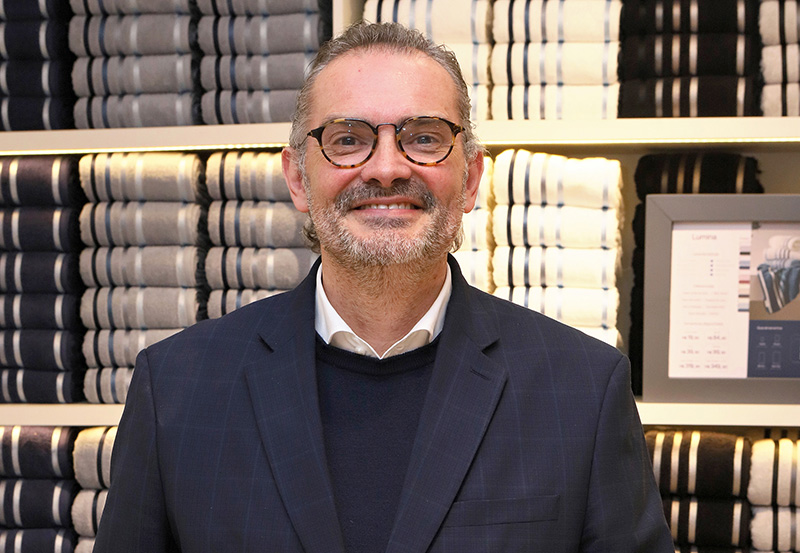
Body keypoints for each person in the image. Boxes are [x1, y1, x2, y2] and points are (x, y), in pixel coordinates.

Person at [93, 21, 673, 553]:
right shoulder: (177, 390)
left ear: (471, 178)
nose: (388, 167)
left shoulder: (583, 391)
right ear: (298, 178)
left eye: (424, 138)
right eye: (347, 139)